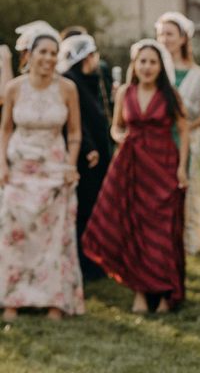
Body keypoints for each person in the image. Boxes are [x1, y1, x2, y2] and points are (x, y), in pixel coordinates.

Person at [82, 39, 189, 314]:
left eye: (153, 61)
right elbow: (116, 128)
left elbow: (184, 130)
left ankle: (166, 293)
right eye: (142, 61)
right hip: (133, 168)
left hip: (164, 165)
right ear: (135, 64)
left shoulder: (170, 94)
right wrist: (121, 137)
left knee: (163, 229)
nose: (147, 66)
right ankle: (140, 292)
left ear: (159, 66)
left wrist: (182, 168)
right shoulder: (125, 93)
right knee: (136, 228)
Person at [0, 26, 84, 321]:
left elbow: (74, 132)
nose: (48, 58)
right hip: (19, 168)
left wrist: (72, 164)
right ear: (29, 55)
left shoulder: (66, 88)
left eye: (53, 53)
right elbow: (5, 129)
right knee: (14, 233)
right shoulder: (14, 88)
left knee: (54, 234)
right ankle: (13, 298)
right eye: (43, 52)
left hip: (54, 168)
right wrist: (1, 165)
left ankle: (54, 300)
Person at [156, 12, 200, 256]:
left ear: (182, 39)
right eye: (161, 34)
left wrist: (185, 128)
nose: (164, 39)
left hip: (186, 139)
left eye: (169, 34)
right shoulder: (153, 70)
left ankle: (185, 237)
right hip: (157, 139)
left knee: (184, 187)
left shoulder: (197, 74)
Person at [57, 34, 112, 282]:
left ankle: (93, 259)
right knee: (84, 211)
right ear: (86, 57)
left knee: (93, 210)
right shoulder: (71, 81)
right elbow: (76, 121)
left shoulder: (90, 81)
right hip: (85, 158)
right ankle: (84, 263)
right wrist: (89, 146)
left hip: (97, 156)